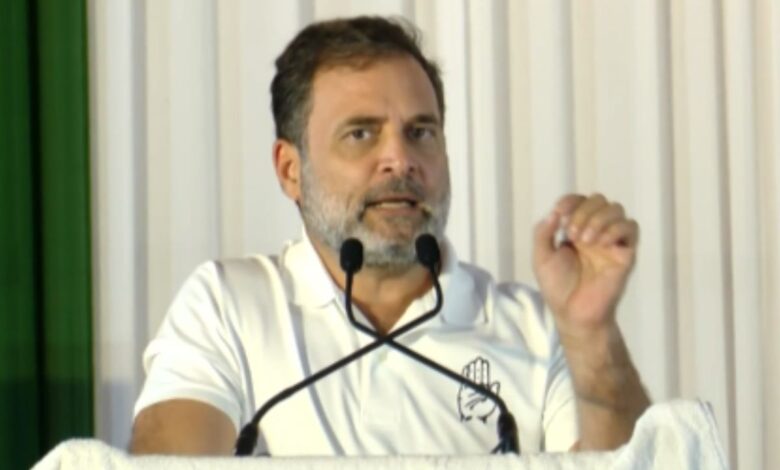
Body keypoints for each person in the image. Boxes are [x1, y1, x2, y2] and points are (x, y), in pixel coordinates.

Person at [130, 16, 650, 456]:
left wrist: (591, 332)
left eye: (420, 132)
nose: (400, 159)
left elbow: (630, 466)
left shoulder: (537, 329)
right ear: (290, 170)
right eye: (361, 134)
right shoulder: (227, 308)